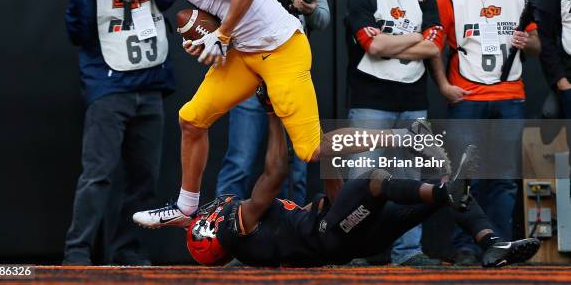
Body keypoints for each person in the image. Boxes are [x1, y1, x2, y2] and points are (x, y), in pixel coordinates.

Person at [113, 0, 323, 228]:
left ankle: (398, 138)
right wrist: (206, 38)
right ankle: (186, 208)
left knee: (312, 150)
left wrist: (221, 36)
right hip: (246, 50)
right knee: (192, 119)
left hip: (280, 49)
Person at [183, 111, 540, 268]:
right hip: (332, 234)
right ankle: (413, 145)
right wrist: (274, 114)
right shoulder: (239, 224)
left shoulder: (251, 245)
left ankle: (492, 243)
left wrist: (326, 167)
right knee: (373, 178)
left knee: (443, 189)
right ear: (213, 229)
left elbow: (329, 209)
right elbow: (274, 172)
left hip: (343, 236)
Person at [62, 0, 177, 265]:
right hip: (109, 87)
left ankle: (127, 252)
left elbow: (170, 0)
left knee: (143, 180)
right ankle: (78, 252)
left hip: (151, 86)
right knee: (98, 176)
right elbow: (77, 34)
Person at [429, 0, 541, 264]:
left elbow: (536, 44)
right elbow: (434, 47)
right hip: (468, 98)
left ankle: (501, 246)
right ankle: (465, 246)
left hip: (510, 95)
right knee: (466, 179)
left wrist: (529, 43)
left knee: (504, 179)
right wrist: (444, 86)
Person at [216, 0, 330, 205]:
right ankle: (224, 236)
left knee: (298, 163)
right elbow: (217, 13)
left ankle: (294, 237)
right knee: (240, 159)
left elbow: (324, 18)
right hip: (250, 74)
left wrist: (308, 8)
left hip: (290, 74)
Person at [345, 0, 443, 265]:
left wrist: (393, 41)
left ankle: (407, 252)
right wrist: (414, 37)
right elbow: (372, 45)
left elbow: (433, 46)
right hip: (370, 100)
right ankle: (354, 249)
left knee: (410, 178)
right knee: (362, 177)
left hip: (413, 101)